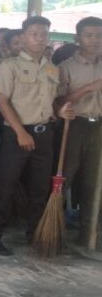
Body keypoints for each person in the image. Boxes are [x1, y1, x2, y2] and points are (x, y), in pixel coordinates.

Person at [0, 16, 74, 255]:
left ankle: (36, 233)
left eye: (44, 34)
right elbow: (2, 101)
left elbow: (54, 101)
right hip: (17, 134)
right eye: (34, 34)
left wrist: (60, 110)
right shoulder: (9, 66)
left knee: (40, 188)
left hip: (45, 134)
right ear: (23, 37)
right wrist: (21, 132)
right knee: (5, 184)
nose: (40, 38)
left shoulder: (52, 68)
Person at [57, 17, 102, 246]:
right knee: (65, 176)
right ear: (78, 38)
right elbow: (59, 101)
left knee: (94, 181)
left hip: (99, 126)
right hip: (75, 125)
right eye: (89, 35)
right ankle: (55, 229)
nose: (95, 40)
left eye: (99, 35)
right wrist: (90, 88)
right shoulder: (66, 67)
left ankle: (89, 233)